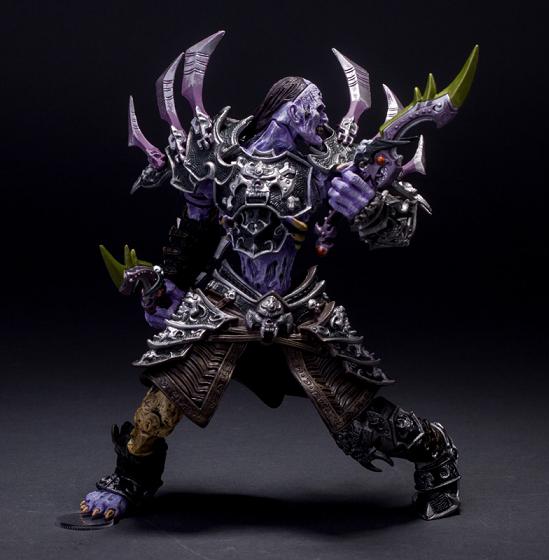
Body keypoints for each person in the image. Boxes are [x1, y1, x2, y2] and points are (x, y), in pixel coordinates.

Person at [81, 32, 478, 523]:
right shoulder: (223, 161)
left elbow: (398, 229)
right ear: (290, 109)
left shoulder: (323, 167)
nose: (325, 117)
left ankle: (436, 455)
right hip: (224, 307)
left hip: (294, 311)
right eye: (316, 107)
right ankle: (132, 476)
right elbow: (194, 229)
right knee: (162, 400)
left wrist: (368, 207)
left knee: (356, 417)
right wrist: (170, 286)